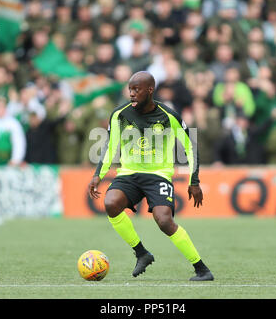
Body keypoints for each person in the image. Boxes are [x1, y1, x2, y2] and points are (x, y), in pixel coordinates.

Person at [88, 71, 213, 281]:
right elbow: (110, 147)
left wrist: (194, 180)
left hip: (158, 175)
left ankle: (201, 269)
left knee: (164, 221)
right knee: (111, 204)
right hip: (129, 174)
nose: (132, 94)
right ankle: (141, 253)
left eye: (136, 89)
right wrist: (97, 175)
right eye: (130, 89)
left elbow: (190, 146)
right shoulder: (120, 114)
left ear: (150, 90)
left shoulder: (168, 115)